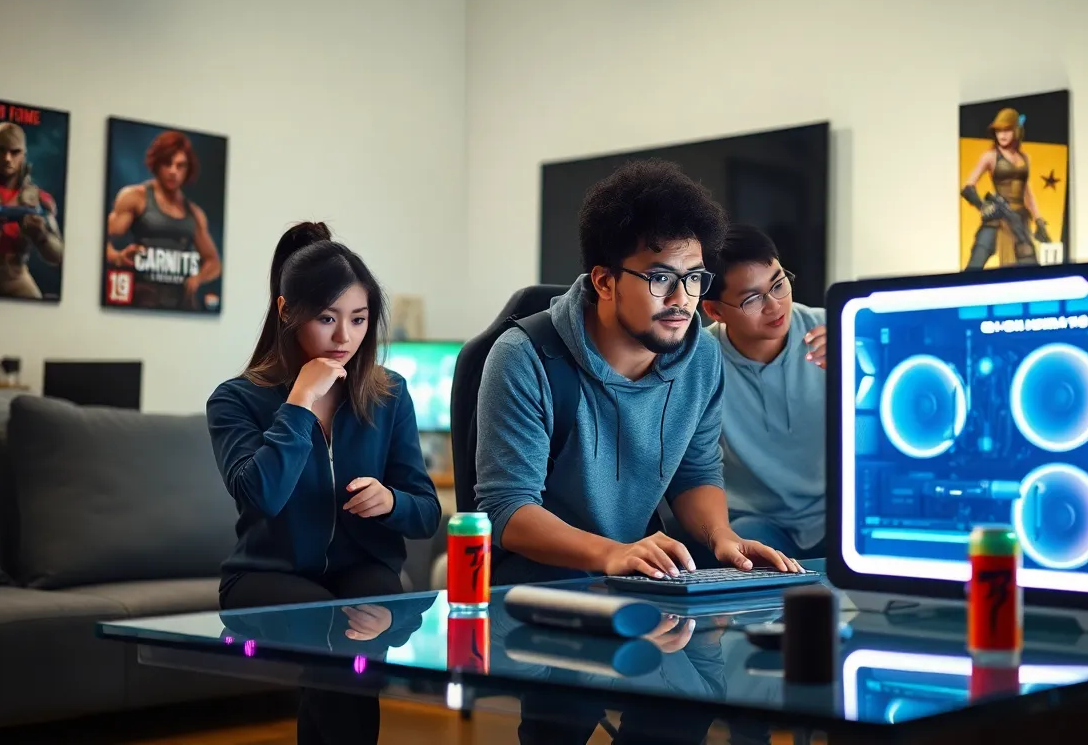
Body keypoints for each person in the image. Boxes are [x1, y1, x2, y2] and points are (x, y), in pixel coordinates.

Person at [475, 158, 803, 591]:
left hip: (641, 577)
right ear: (605, 282)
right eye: (660, 277)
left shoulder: (702, 355)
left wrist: (722, 537)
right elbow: (507, 508)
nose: (681, 299)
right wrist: (611, 552)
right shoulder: (525, 357)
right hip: (541, 586)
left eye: (694, 279)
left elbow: (695, 473)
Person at [206, 222, 440, 745]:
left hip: (362, 569)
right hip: (265, 577)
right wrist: (299, 402)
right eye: (327, 319)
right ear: (288, 312)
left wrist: (391, 501)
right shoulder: (235, 400)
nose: (344, 338)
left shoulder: (388, 394)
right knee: (333, 633)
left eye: (358, 320)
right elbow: (259, 494)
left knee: (363, 635)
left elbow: (426, 513)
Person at [701, 225, 828, 560]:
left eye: (778, 284)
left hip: (837, 514)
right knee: (745, 552)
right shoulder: (699, 362)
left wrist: (860, 372)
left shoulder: (836, 333)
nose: (774, 306)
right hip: (756, 522)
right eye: (752, 298)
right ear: (715, 311)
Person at [106, 129, 222, 309]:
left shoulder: (194, 214)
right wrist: (117, 257)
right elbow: (99, 241)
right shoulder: (135, 197)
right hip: (141, 299)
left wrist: (198, 278)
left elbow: (213, 262)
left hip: (180, 305)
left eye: (180, 165)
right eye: (168, 163)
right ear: (157, 164)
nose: (173, 171)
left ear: (187, 169)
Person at [0, 122, 63, 298]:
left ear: (24, 155)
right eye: (1, 150)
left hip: (15, 276)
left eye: (15, 152)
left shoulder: (40, 197)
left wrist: (40, 235)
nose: (7, 158)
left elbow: (58, 255)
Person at [960, 107, 1050, 270]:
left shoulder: (1024, 158)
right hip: (996, 218)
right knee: (974, 267)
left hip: (1018, 220)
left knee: (1031, 268)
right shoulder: (991, 156)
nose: (1002, 135)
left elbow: (1027, 192)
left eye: (1007, 130)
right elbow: (967, 187)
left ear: (1016, 131)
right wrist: (983, 206)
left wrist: (1038, 220)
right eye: (998, 130)